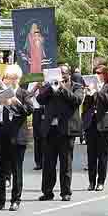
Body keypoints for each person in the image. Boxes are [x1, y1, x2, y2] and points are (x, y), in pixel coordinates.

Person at [0, 64, 33, 211]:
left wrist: (14, 103)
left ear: (17, 79)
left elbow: (29, 110)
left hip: (16, 134)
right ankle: (0, 200)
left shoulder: (23, 93)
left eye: (11, 78)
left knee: (16, 168)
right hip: (0, 132)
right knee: (0, 169)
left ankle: (15, 200)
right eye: (6, 78)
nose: (7, 81)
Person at [36, 65, 83, 202]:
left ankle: (65, 192)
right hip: (50, 129)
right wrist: (50, 88)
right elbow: (40, 100)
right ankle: (47, 192)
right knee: (48, 163)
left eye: (63, 73)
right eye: (58, 73)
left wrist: (62, 88)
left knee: (65, 163)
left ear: (68, 74)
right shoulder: (49, 86)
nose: (60, 75)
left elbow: (77, 100)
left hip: (66, 129)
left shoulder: (76, 86)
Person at [81, 65, 108, 191]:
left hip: (105, 125)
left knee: (102, 155)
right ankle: (91, 182)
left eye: (99, 72)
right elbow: (86, 106)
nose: (97, 74)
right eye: (95, 72)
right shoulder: (91, 88)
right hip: (91, 124)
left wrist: (97, 92)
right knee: (91, 154)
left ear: (105, 74)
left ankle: (101, 181)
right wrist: (88, 94)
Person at [29, 82, 44, 170]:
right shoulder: (32, 83)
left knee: (46, 137)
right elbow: (28, 96)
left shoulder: (49, 82)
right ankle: (38, 162)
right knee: (37, 138)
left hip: (46, 110)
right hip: (37, 111)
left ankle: (47, 161)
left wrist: (42, 88)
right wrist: (35, 88)